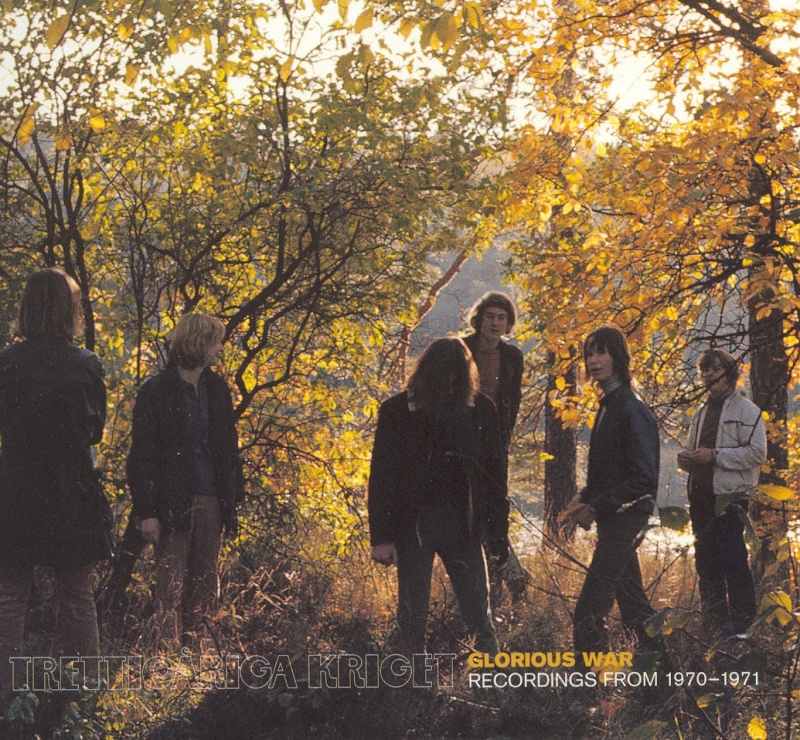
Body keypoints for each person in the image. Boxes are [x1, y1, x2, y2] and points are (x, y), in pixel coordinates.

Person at [0, 268, 111, 701]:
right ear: (70, 310)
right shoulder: (85, 364)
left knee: (10, 597)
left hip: (16, 488)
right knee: (77, 594)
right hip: (70, 490)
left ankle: (6, 699)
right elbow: (94, 432)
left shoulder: (6, 363)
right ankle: (85, 695)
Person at [368, 337, 509, 654]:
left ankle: (493, 678)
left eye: (455, 374)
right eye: (443, 373)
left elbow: (495, 478)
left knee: (478, 615)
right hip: (414, 525)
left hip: (464, 525)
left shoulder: (481, 411)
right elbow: (382, 478)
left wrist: (498, 535)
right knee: (411, 619)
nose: (449, 382)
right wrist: (382, 538)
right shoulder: (398, 411)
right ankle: (409, 680)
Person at [127, 313, 244, 649]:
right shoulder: (156, 391)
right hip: (171, 503)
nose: (220, 348)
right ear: (199, 342)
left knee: (206, 587)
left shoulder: (217, 390)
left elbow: (228, 450)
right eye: (216, 341)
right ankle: (165, 661)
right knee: (170, 587)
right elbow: (142, 457)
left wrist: (231, 502)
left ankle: (200, 658)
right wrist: (147, 511)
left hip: (211, 500)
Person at [561, 325, 661, 654]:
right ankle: (663, 676)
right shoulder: (610, 404)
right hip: (615, 517)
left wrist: (596, 506)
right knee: (634, 607)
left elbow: (643, 479)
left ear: (618, 356)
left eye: (601, 352)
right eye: (589, 353)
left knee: (588, 612)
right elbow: (612, 469)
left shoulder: (631, 407)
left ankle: (587, 681)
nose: (593, 360)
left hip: (625, 519)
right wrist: (585, 496)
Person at [677, 349, 765, 637]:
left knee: (733, 559)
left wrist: (715, 455)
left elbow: (756, 454)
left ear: (729, 372)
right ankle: (713, 623)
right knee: (705, 561)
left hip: (730, 498)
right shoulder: (700, 413)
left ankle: (743, 625)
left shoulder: (748, 411)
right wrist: (685, 459)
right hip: (700, 497)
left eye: (714, 369)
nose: (708, 375)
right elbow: (692, 450)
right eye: (704, 370)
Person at [463, 292, 528, 603]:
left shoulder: (512, 356)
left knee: (495, 506)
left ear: (508, 323)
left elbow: (513, 401)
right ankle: (491, 579)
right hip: (464, 440)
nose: (495, 323)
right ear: (479, 318)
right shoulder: (462, 348)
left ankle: (507, 574)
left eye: (501, 318)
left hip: (496, 441)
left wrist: (504, 440)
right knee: (469, 508)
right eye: (490, 316)